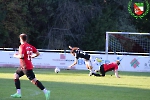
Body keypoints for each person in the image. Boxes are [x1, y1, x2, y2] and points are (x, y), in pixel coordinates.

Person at [11, 33, 50, 100]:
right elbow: (37, 53)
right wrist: (32, 56)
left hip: (26, 67)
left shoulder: (22, 46)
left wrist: (15, 55)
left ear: (21, 39)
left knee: (34, 80)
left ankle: (46, 91)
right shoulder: (30, 46)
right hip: (23, 66)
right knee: (16, 75)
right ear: (26, 39)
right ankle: (18, 93)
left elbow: (21, 56)